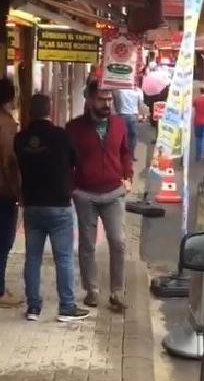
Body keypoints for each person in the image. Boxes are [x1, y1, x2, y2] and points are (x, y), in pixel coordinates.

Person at [14, 94, 89, 322]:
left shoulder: (20, 139)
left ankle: (33, 308)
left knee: (32, 258)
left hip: (32, 205)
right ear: (51, 110)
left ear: (29, 112)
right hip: (59, 205)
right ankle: (66, 307)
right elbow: (77, 162)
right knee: (64, 258)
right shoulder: (61, 136)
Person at [66, 81, 133, 312]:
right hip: (85, 193)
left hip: (114, 192)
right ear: (89, 99)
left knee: (118, 241)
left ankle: (117, 291)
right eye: (102, 99)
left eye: (110, 99)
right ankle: (92, 290)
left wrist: (128, 175)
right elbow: (66, 161)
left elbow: (125, 151)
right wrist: (71, 187)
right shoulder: (73, 128)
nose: (107, 103)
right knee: (87, 244)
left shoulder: (119, 123)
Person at [0, 78, 21, 308]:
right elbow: (9, 162)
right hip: (2, 192)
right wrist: (17, 191)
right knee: (3, 241)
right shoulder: (7, 125)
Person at [113, 86, 145, 160]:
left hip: (121, 115)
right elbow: (140, 104)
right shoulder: (138, 91)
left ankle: (121, 155)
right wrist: (143, 115)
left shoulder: (119, 89)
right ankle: (130, 155)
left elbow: (115, 101)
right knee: (133, 137)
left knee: (121, 136)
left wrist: (117, 111)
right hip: (133, 115)